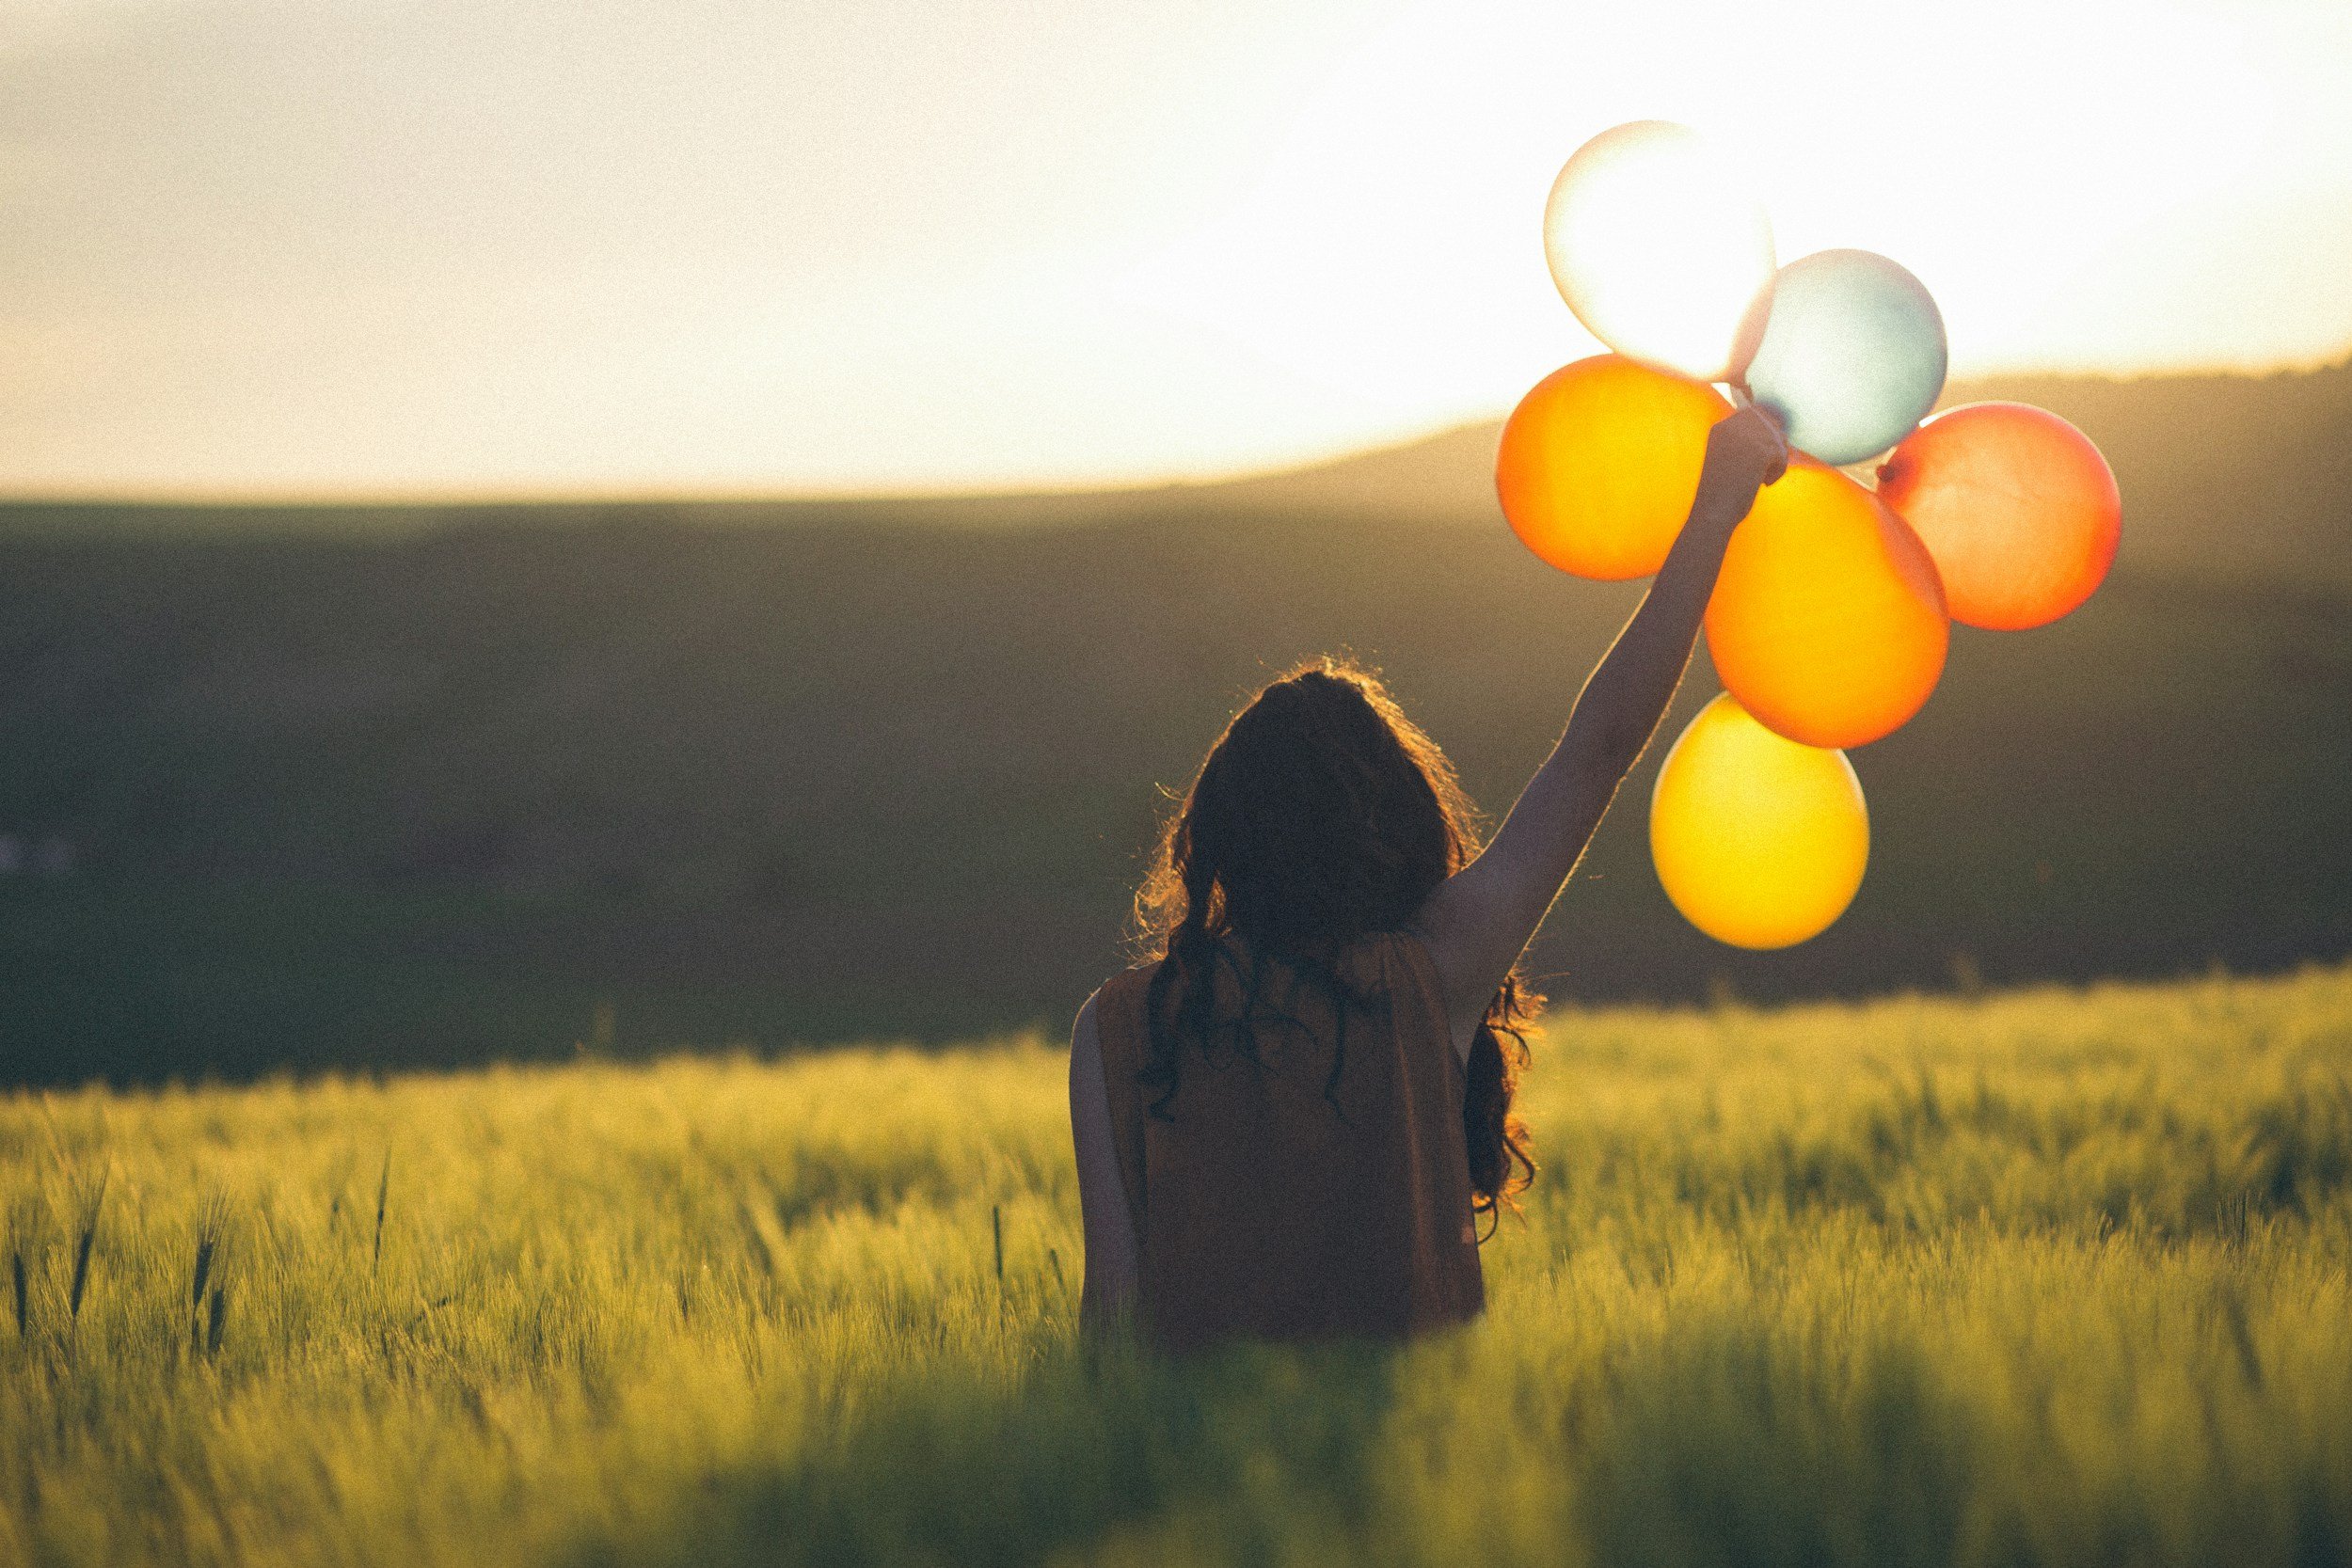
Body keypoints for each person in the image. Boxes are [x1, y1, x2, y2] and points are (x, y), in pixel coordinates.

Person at [1070, 403, 1789, 1353]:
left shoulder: (1119, 1026)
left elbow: (1111, 1310)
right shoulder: (1428, 975)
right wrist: (1716, 506)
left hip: (1193, 1485)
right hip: (1418, 1482)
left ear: (1222, 836)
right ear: (1392, 824)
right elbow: (1597, 748)